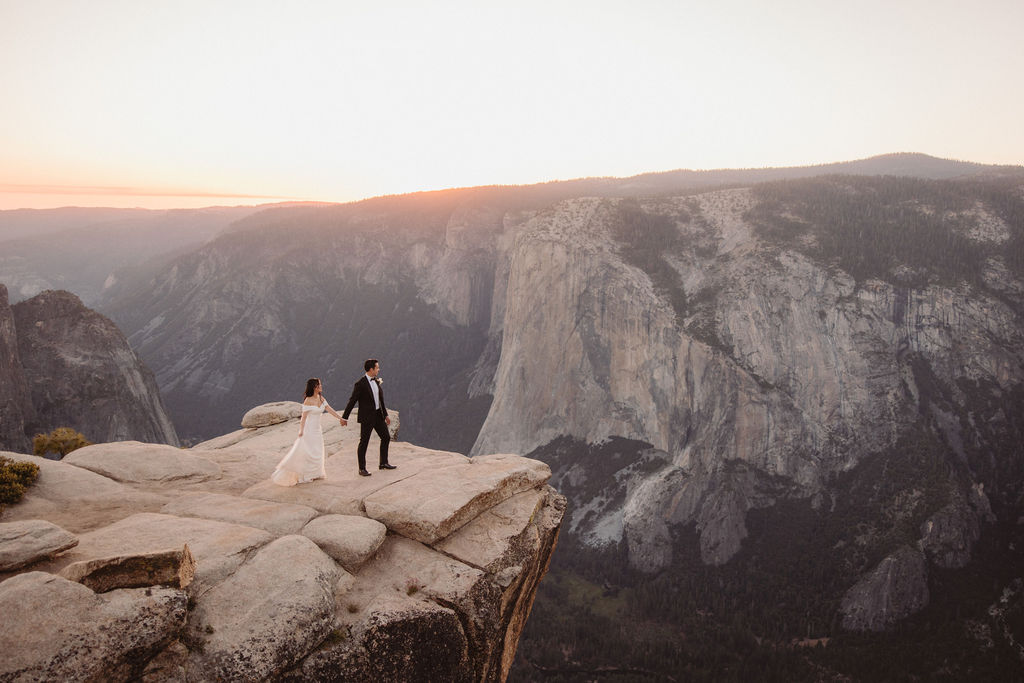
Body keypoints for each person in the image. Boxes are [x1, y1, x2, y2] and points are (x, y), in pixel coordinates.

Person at [271, 377, 344, 486]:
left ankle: (317, 473)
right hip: (309, 430)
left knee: (317, 450)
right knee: (308, 452)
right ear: (315, 387)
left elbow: (329, 409)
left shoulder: (321, 398)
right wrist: (301, 431)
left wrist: (340, 418)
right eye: (319, 385)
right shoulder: (308, 400)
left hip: (317, 429)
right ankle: (307, 475)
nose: (321, 386)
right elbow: (303, 418)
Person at [341, 358, 393, 476]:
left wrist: (385, 415)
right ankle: (362, 468)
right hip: (367, 417)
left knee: (386, 437)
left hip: (378, 415)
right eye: (377, 368)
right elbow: (352, 401)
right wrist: (345, 417)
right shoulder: (360, 384)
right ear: (371, 369)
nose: (379, 370)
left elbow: (381, 400)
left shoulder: (376, 381)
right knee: (364, 442)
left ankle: (383, 463)